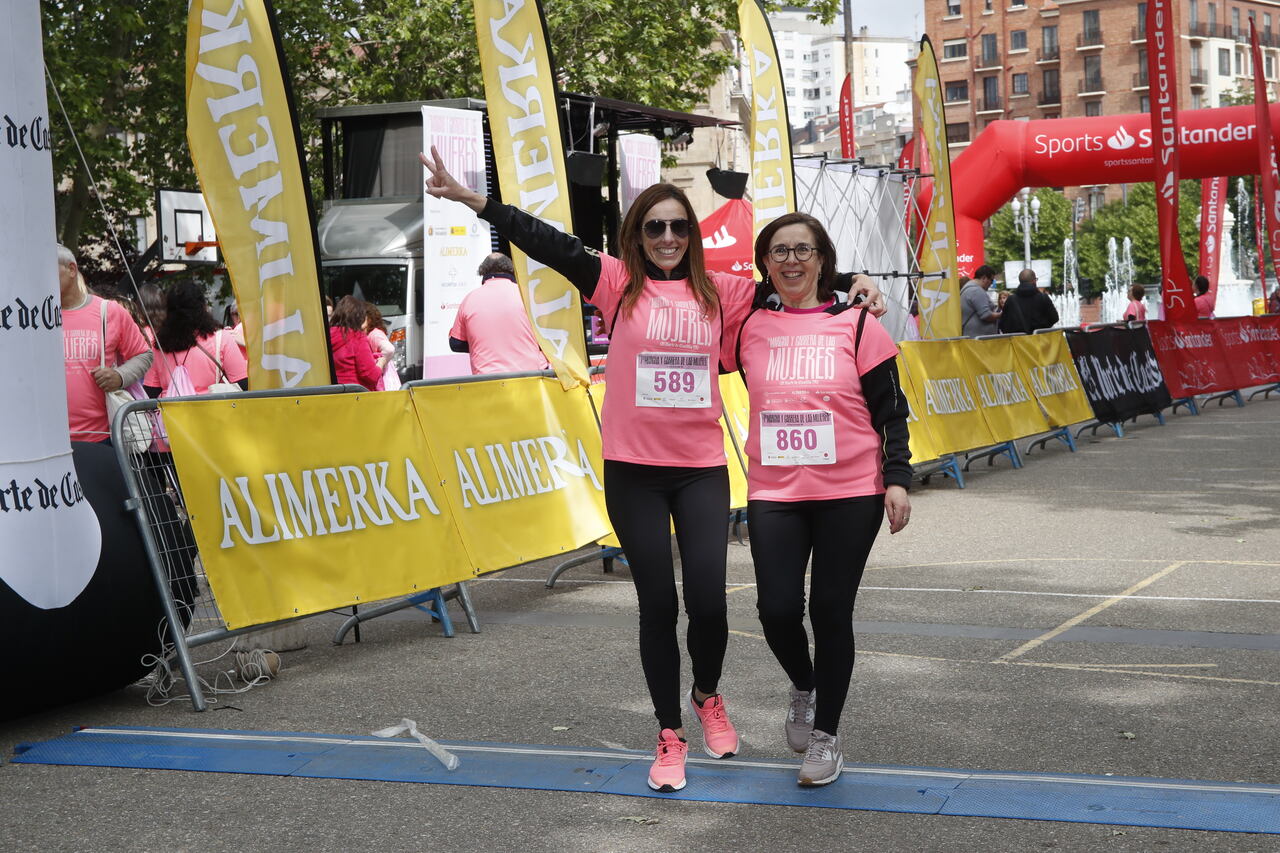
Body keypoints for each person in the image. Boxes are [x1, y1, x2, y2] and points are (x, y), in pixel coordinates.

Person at [419, 145, 886, 794]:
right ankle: (670, 733)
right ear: (636, 236)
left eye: (678, 226)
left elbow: (796, 278)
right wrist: (478, 203)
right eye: (654, 226)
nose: (667, 237)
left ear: (691, 235)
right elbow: (545, 241)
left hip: (700, 471)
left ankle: (707, 693)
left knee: (710, 606)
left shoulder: (724, 291)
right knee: (658, 604)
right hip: (633, 472)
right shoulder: (615, 283)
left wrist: (859, 281)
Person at [726, 212, 911, 787]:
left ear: (822, 259)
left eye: (803, 250)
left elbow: (891, 409)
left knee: (831, 610)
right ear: (765, 263)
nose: (791, 261)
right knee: (776, 610)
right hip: (775, 490)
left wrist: (898, 478)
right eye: (779, 251)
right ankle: (805, 685)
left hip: (850, 492)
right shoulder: (748, 325)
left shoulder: (857, 323)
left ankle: (826, 736)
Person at [58, 244, 153, 443]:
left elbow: (143, 354)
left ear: (71, 269)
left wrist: (120, 376)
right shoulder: (35, 319)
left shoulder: (108, 311)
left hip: (102, 436)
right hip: (48, 440)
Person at [448, 253, 550, 374]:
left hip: (487, 379)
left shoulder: (469, 299)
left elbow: (456, 343)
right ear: (511, 270)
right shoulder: (529, 296)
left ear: (482, 272)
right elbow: (547, 337)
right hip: (530, 377)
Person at [144, 280, 248, 396]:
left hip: (169, 407)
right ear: (202, 307)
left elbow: (150, 391)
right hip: (211, 406)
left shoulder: (159, 345)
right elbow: (243, 383)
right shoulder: (221, 338)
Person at [328, 295, 381, 391]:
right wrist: (382, 363)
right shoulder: (357, 337)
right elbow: (370, 375)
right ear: (359, 317)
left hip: (332, 393)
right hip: (356, 394)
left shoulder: (326, 336)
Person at [998, 268, 1059, 334]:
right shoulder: (1043, 298)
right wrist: (1041, 328)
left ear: (1020, 281)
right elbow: (1054, 318)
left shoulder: (1011, 300)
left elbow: (1003, 324)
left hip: (1018, 339)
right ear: (1034, 281)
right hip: (1039, 338)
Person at [364, 301, 401, 390]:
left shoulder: (374, 334)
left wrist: (381, 363)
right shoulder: (374, 333)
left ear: (369, 319)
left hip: (384, 378)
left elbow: (389, 349)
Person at [960, 264, 1002, 337]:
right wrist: (1001, 314)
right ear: (984, 278)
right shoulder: (976, 291)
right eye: (991, 280)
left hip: (973, 336)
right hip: (978, 338)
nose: (991, 284)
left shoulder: (969, 289)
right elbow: (986, 315)